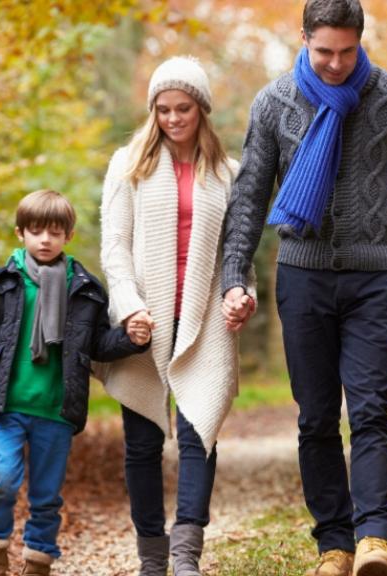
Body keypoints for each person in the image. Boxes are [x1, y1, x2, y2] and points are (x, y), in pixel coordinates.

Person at [220, 0, 387, 574]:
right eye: (324, 50)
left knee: (372, 409)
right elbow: (250, 197)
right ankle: (334, 544)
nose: (335, 64)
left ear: (361, 41)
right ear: (303, 37)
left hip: (376, 277)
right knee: (315, 416)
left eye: (346, 52)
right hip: (302, 277)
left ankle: (375, 536)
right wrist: (235, 275)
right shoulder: (274, 102)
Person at [99, 56, 251, 576]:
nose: (172, 118)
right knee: (142, 439)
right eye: (162, 109)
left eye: (182, 108)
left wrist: (240, 294)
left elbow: (239, 252)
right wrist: (129, 307)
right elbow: (114, 247)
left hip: (204, 313)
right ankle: (152, 557)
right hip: (145, 312)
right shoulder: (127, 165)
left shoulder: (228, 174)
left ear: (201, 109)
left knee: (198, 432)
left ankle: (186, 554)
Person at [0, 189, 148, 576]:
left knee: (46, 495)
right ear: (20, 234)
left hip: (57, 409)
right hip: (7, 406)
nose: (45, 240)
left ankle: (38, 558)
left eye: (54, 232)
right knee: (2, 479)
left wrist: (130, 337)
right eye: (36, 231)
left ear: (69, 237)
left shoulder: (86, 290)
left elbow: (97, 344)